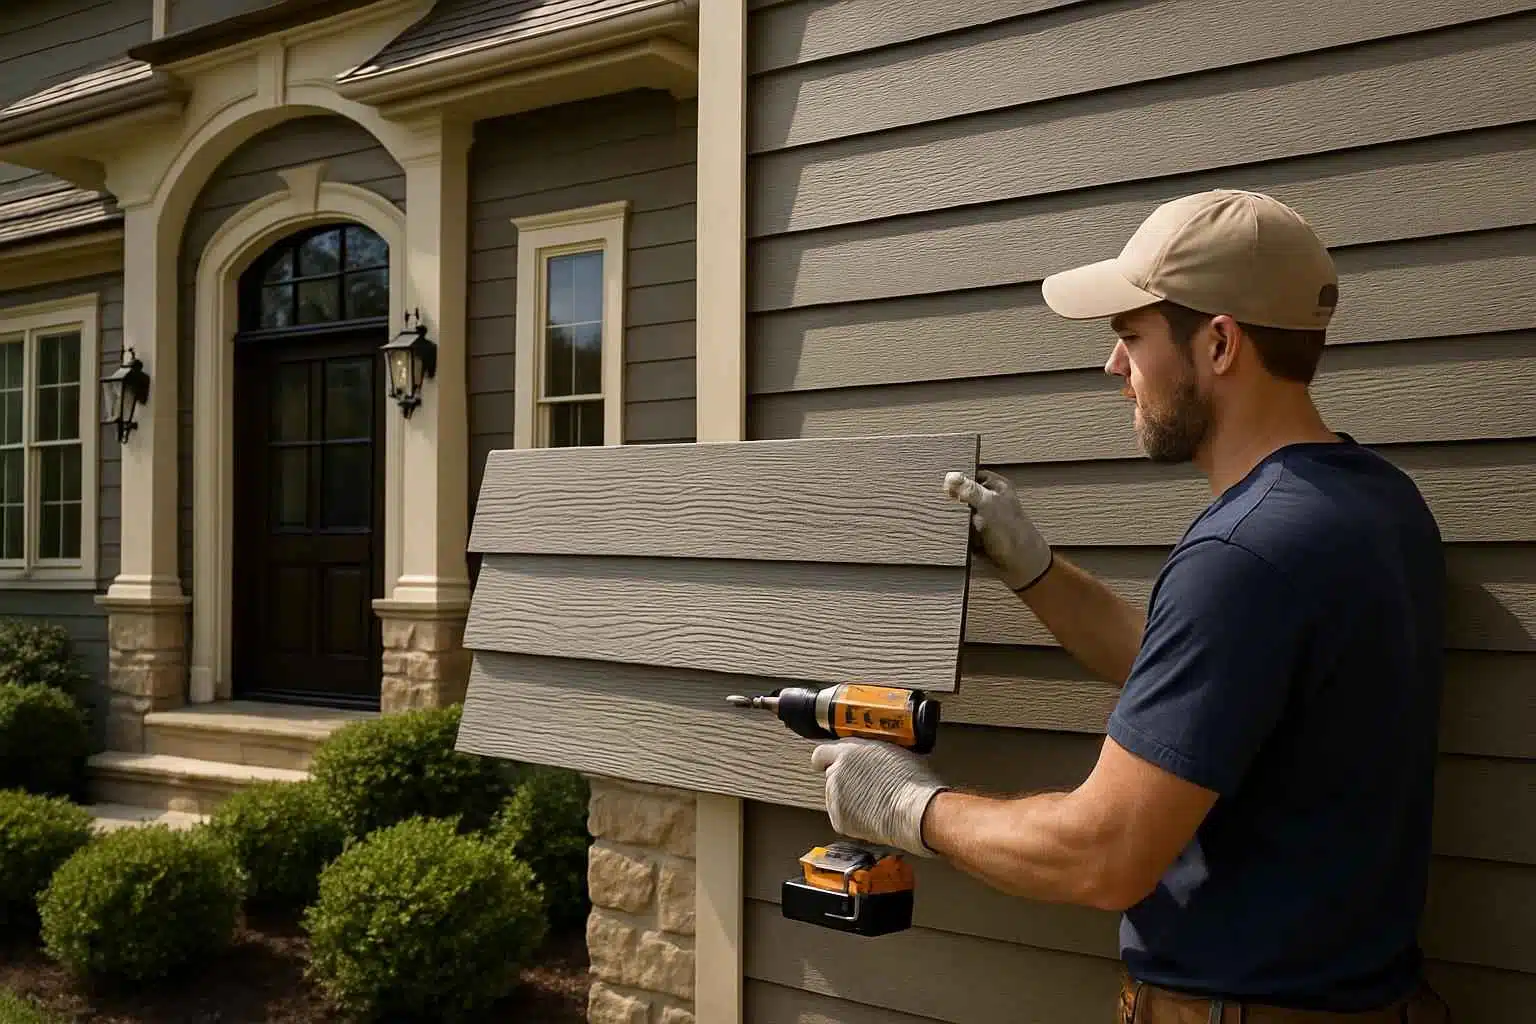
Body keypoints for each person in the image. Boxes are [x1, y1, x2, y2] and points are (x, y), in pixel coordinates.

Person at [809, 190, 1452, 1022]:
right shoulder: (1377, 506)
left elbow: (1102, 855)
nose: (1115, 368)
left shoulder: (1243, 553)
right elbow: (1213, 681)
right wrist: (1037, 572)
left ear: (1219, 343)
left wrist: (905, 806)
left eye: (1130, 335)